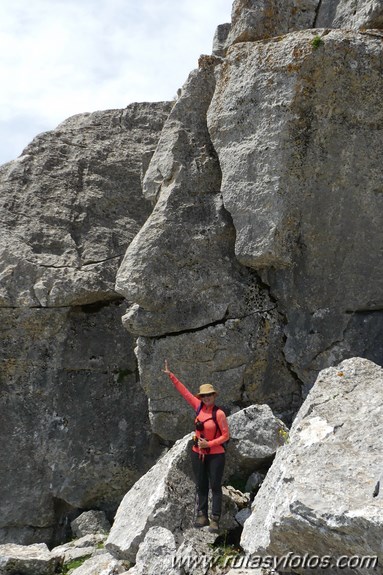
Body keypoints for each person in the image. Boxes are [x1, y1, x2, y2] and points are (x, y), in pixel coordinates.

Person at [162, 359, 230, 533]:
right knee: (200, 484)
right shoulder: (198, 407)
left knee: (215, 485)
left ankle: (215, 519)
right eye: (204, 396)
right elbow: (184, 393)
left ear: (214, 396)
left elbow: (226, 436)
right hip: (197, 452)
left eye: (210, 395)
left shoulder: (219, 413)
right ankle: (202, 515)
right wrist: (172, 376)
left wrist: (209, 443)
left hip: (215, 454)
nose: (207, 398)